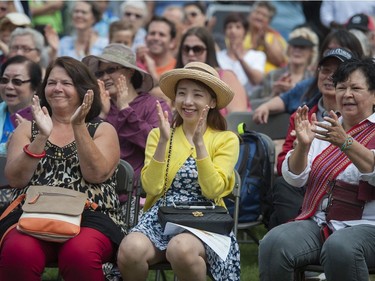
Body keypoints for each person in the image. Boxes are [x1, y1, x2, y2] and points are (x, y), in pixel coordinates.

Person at [0, 56, 125, 281]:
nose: (57, 88)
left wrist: (78, 126)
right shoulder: (28, 128)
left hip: (91, 216)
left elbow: (95, 174)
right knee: (18, 251)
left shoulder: (102, 130)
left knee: (79, 253)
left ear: (84, 90)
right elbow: (16, 179)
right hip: (31, 214)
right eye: (52, 82)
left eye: (66, 83)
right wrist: (41, 138)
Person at [117, 62, 241, 281]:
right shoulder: (159, 134)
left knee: (180, 249)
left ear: (212, 102)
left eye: (197, 95)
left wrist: (200, 146)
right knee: (130, 249)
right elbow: (151, 187)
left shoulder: (226, 139)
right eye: (182, 93)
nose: (188, 101)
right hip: (162, 215)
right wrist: (164, 141)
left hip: (205, 218)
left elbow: (213, 190)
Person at [259, 57, 375, 281]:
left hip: (367, 227)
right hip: (320, 223)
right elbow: (294, 179)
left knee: (339, 248)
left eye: (356, 88)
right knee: (274, 243)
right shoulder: (325, 128)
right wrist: (302, 147)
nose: (346, 94)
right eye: (342, 88)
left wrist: (346, 143)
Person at [268, 47, 354, 229]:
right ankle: (298, 236)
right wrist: (300, 150)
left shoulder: (356, 118)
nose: (330, 76)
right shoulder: (301, 116)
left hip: (340, 190)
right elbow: (282, 164)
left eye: (338, 71)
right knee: (283, 185)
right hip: (303, 188)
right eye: (325, 70)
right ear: (317, 73)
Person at [82, 43, 172, 183]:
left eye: (111, 69)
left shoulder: (155, 105)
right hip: (100, 191)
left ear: (130, 71)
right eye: (100, 73)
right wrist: (102, 116)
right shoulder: (97, 107)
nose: (105, 77)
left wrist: (125, 109)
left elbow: (156, 144)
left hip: (138, 195)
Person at [253, 29, 364, 124]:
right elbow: (286, 99)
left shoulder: (360, 106)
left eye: (343, 50)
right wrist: (265, 106)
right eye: (330, 49)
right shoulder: (303, 111)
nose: (336, 53)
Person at [175, 26, 249, 116]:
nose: (191, 53)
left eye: (197, 49)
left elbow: (238, 117)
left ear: (209, 51)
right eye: (186, 49)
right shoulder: (174, 79)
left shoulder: (226, 77)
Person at [0, 55, 42, 212]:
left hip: (29, 196)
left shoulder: (46, 120)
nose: (9, 86)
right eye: (4, 80)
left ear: (36, 87)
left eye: (17, 81)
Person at [254, 26, 318, 104]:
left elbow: (315, 106)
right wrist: (275, 94)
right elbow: (258, 107)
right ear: (288, 49)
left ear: (311, 52)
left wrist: (295, 91)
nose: (297, 50)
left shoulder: (314, 79)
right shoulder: (272, 75)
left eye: (302, 47)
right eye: (294, 46)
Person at [217, 12, 266, 99]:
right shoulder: (218, 56)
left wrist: (240, 58)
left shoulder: (258, 55)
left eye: (238, 27)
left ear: (245, 32)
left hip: (250, 101)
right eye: (229, 27)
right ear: (225, 32)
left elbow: (256, 80)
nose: (233, 31)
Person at [243, 1, 287, 73]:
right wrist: (255, 46)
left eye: (264, 15)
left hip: (268, 78)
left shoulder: (273, 37)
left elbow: (280, 61)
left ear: (269, 21)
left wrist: (265, 44)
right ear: (250, 15)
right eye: (257, 12)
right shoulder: (241, 35)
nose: (259, 17)